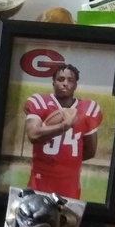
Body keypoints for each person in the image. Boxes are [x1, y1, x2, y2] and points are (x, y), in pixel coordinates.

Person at [23, 63, 103, 199]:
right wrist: (64, 126)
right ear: (53, 83)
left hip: (69, 183)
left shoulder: (88, 109)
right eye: (60, 79)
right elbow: (33, 134)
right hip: (40, 179)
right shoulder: (40, 102)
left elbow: (90, 151)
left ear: (76, 85)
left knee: (68, 213)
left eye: (70, 80)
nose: (65, 83)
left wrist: (66, 163)